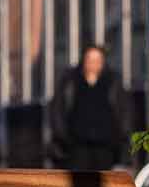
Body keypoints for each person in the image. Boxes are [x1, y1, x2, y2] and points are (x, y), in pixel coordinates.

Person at [49, 43, 130, 171]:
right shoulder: (71, 80)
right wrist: (62, 137)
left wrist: (121, 139)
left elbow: (123, 111)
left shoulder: (112, 81)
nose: (93, 64)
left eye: (97, 60)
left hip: (105, 146)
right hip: (76, 145)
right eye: (90, 60)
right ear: (84, 60)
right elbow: (58, 109)